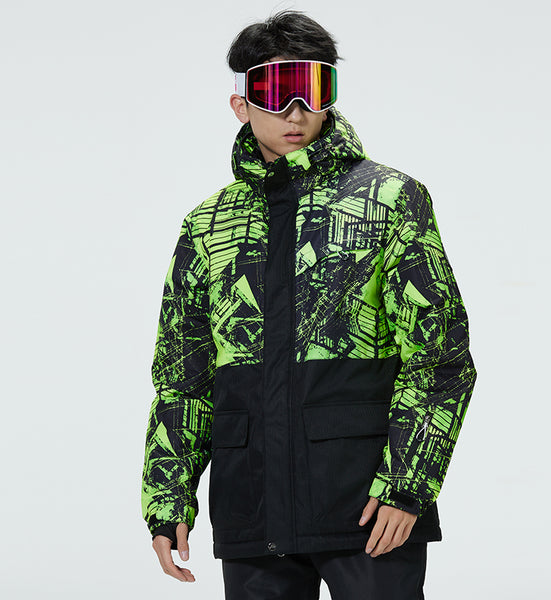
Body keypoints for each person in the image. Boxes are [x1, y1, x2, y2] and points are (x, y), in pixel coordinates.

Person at [141, 10, 476, 599]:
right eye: (276, 93)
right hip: (252, 506)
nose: (296, 112)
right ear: (241, 104)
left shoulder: (389, 199)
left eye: (314, 90)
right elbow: (183, 379)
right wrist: (167, 501)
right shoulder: (208, 224)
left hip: (366, 508)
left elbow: (440, 360)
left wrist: (407, 487)